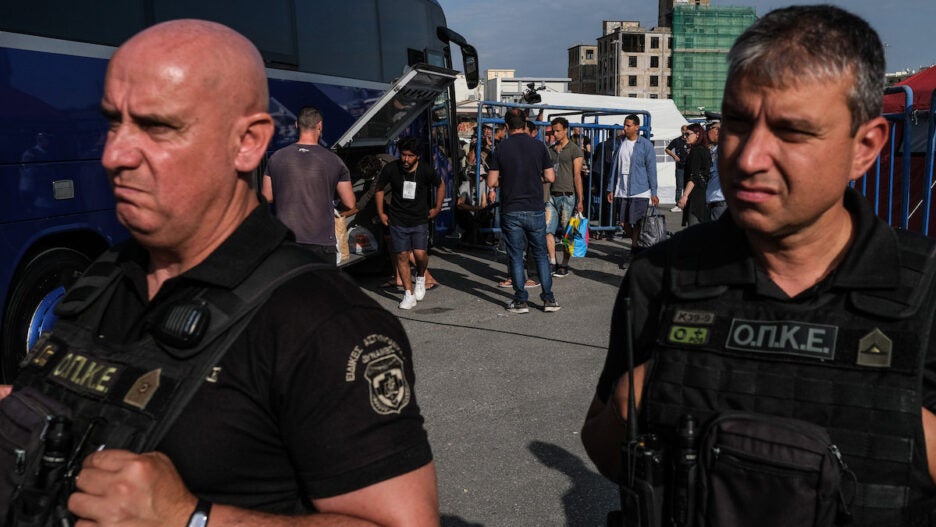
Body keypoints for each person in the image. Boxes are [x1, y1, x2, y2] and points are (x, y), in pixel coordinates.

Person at [0, 20, 439, 526]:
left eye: (157, 126)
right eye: (112, 124)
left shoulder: (323, 322)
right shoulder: (102, 275)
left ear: (248, 143)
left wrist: (190, 518)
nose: (113, 155)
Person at [581, 5, 936, 525]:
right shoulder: (661, 277)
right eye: (739, 123)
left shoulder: (925, 291)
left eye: (792, 132)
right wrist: (631, 400)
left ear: (866, 147)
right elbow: (607, 453)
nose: (748, 157)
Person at [261, 106, 356, 265]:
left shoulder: (276, 157)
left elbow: (267, 197)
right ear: (320, 126)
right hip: (321, 242)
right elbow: (350, 203)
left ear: (296, 125)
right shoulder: (334, 161)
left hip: (286, 242)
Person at [487, 110, 560, 313]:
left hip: (511, 209)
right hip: (535, 207)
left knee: (516, 255)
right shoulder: (539, 146)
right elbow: (551, 177)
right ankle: (549, 299)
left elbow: (492, 181)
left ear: (508, 127)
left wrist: (506, 179)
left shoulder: (501, 148)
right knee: (540, 254)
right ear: (526, 125)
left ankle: (520, 300)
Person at [376, 137, 445, 310]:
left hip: (420, 219)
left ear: (418, 156)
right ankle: (409, 293)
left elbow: (441, 184)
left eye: (410, 156)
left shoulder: (426, 170)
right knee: (402, 255)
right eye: (403, 155)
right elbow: (379, 188)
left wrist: (437, 207)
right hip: (397, 219)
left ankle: (420, 277)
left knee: (420, 254)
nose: (406, 159)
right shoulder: (392, 169)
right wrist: (381, 212)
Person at [604, 114, 659, 255]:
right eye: (625, 125)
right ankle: (638, 247)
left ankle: (634, 250)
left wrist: (654, 192)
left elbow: (651, 169)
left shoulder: (645, 145)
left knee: (637, 222)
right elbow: (614, 168)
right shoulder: (620, 143)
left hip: (640, 190)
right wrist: (611, 188)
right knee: (623, 222)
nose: (625, 128)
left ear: (636, 127)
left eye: (628, 125)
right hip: (622, 189)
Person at [546, 117, 584, 277]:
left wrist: (580, 199)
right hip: (551, 197)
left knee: (568, 233)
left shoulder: (574, 150)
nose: (555, 134)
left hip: (568, 196)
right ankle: (553, 261)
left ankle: (565, 264)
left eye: (558, 130)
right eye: (553, 131)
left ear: (565, 130)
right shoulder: (551, 150)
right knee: (548, 230)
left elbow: (577, 175)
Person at [676, 122, 710, 226]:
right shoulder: (705, 150)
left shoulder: (696, 151)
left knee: (694, 228)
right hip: (704, 193)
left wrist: (685, 195)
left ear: (698, 134)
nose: (685, 137)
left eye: (688, 134)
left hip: (695, 195)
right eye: (684, 134)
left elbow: (694, 175)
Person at [703, 121, 727, 221]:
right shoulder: (715, 150)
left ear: (717, 130)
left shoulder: (723, 150)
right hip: (714, 202)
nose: (706, 133)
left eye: (708, 129)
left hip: (721, 203)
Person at [665, 124, 690, 212]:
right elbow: (667, 149)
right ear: (681, 131)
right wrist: (674, 156)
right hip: (680, 166)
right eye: (683, 130)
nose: (684, 132)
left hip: (689, 167)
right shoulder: (677, 140)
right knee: (679, 186)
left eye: (686, 130)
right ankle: (678, 204)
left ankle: (687, 204)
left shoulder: (690, 140)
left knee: (688, 186)